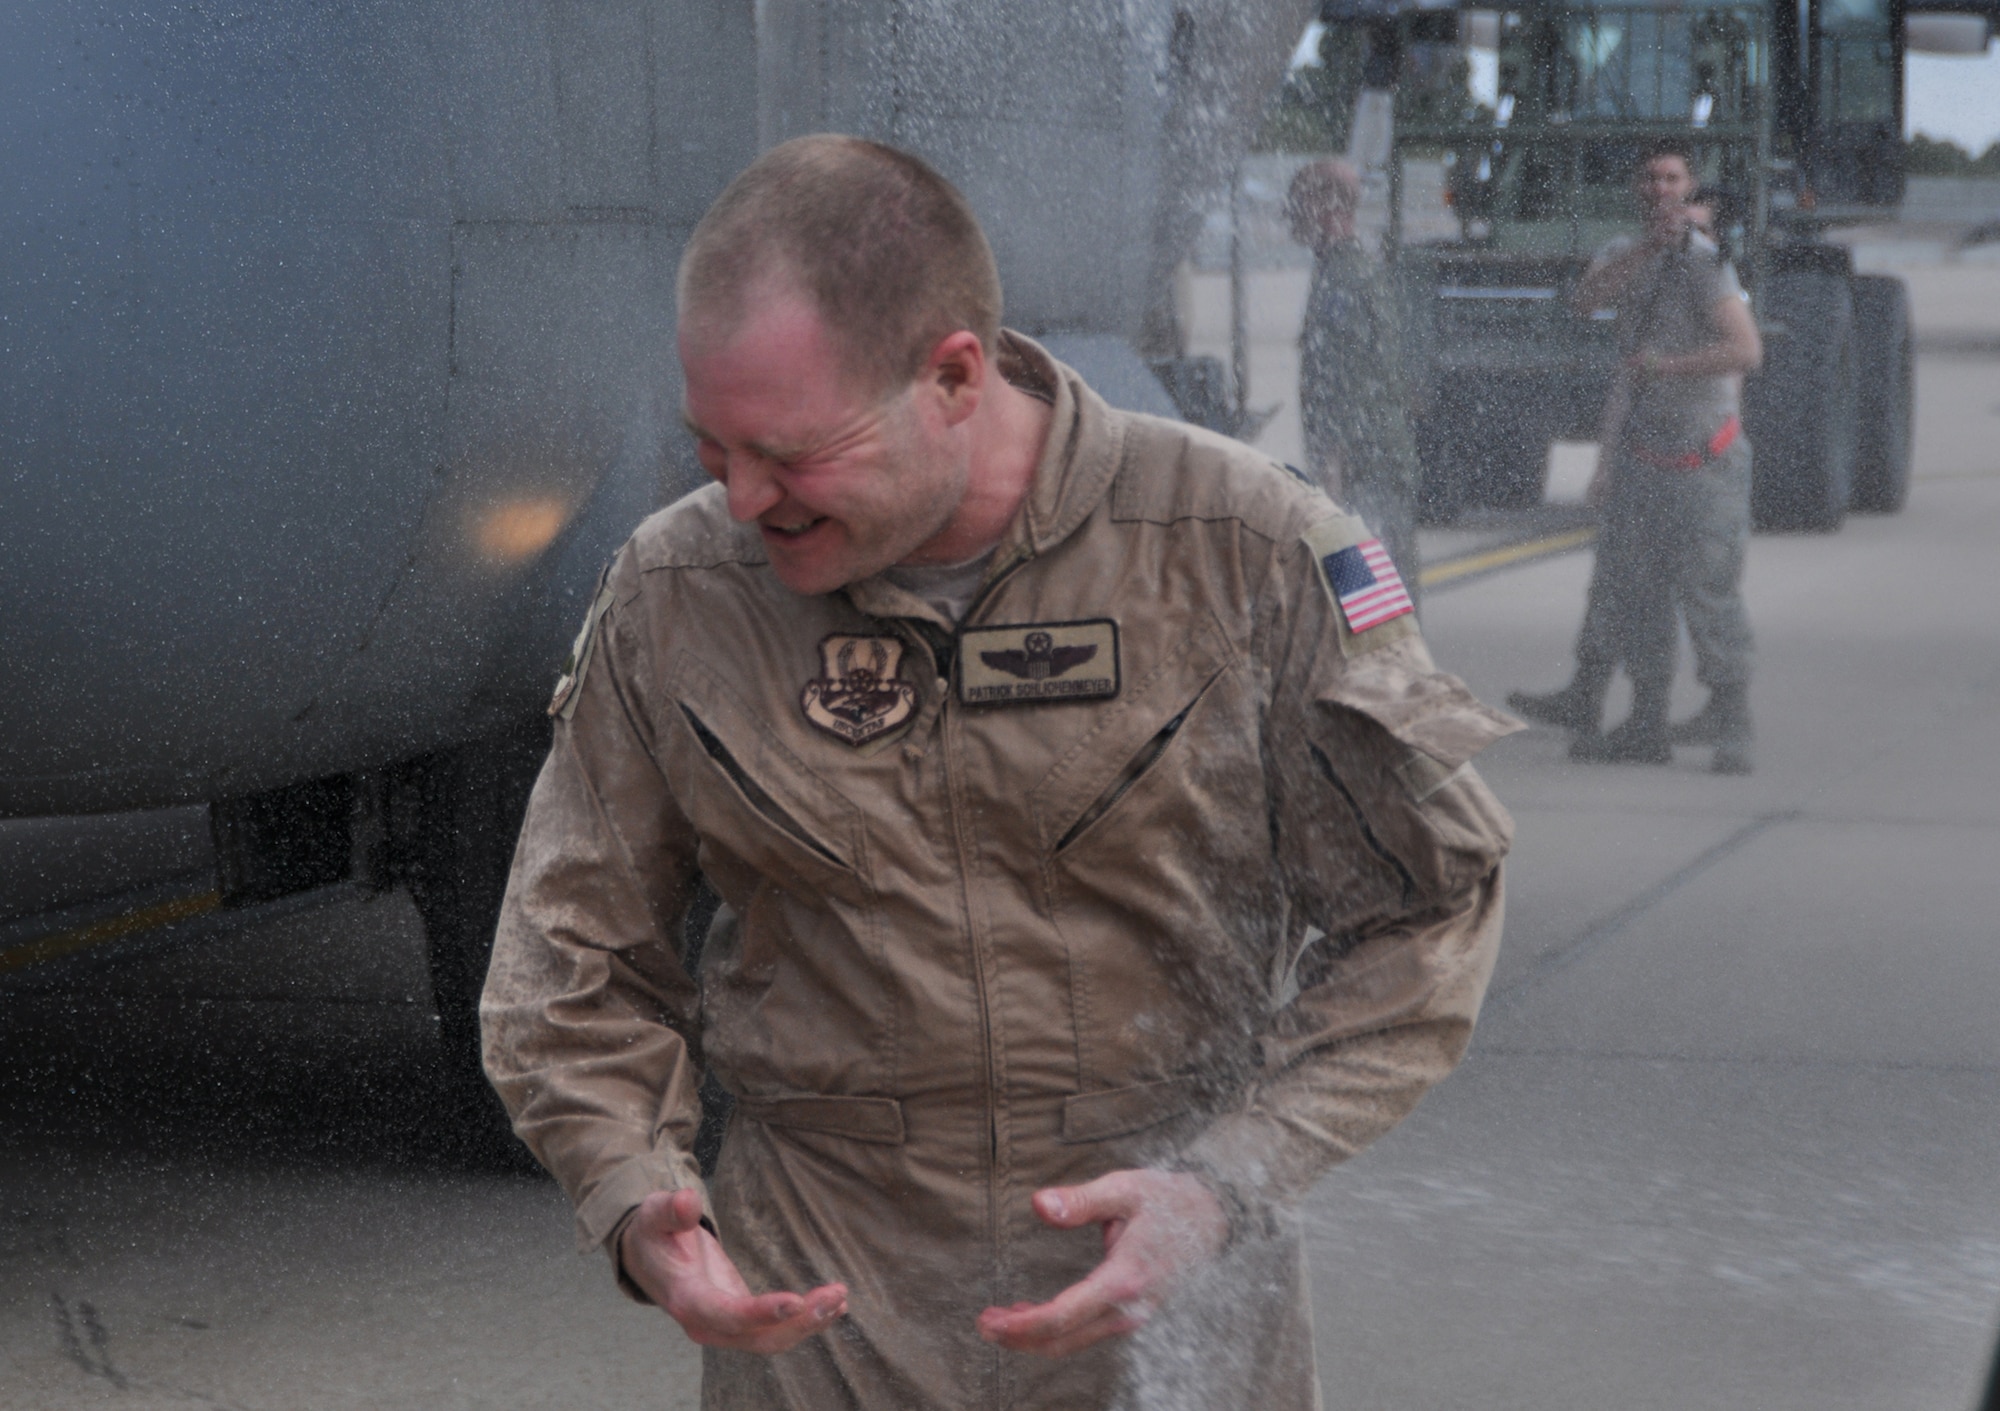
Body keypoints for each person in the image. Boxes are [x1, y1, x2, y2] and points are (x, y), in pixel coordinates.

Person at [481, 134, 1517, 1411]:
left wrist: (1230, 1177)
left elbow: (1426, 910)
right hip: (825, 1311)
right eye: (712, 448)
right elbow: (563, 956)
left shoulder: (1241, 550)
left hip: (1163, 1295)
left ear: (954, 376)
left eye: (791, 455)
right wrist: (636, 1195)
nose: (743, 501)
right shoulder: (676, 590)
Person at [1507, 142, 1762, 773]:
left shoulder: (1708, 265)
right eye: (1649, 178)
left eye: (1672, 177)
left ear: (1689, 186)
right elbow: (1586, 302)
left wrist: (1669, 366)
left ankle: (1732, 722)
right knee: (1636, 593)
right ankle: (1646, 723)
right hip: (1644, 457)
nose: (1659, 187)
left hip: (1704, 458)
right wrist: (1607, 458)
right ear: (1635, 187)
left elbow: (1745, 350)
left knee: (1709, 592)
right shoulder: (1626, 256)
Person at [1288, 157, 1424, 600]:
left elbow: (1345, 386)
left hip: (1362, 471)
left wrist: (1332, 473)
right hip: (1374, 464)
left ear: (1324, 205)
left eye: (1298, 202)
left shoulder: (1344, 281)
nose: (1290, 214)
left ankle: (1396, 672)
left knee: (1369, 605)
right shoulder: (1346, 270)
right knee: (1378, 601)